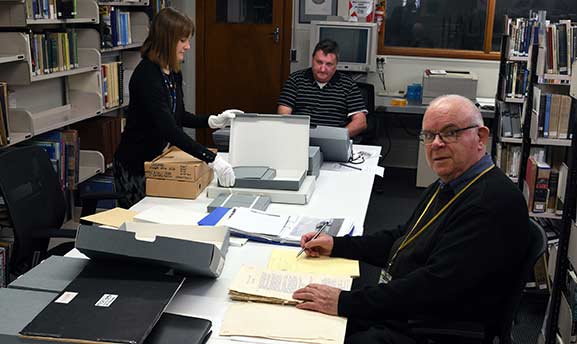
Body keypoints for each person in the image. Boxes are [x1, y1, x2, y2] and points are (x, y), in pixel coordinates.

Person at [292, 95, 530, 344]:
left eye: (449, 133)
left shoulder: (490, 203)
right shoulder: (451, 184)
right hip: (411, 307)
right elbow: (403, 237)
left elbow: (433, 287)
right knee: (305, 321)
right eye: (429, 135)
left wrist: (344, 302)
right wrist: (338, 245)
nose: (436, 144)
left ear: (480, 137)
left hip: (435, 327)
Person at [114, 8, 240, 208]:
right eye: (183, 40)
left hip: (158, 161)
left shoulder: (172, 72)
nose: (188, 46)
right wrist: (212, 159)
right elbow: (170, 130)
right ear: (167, 41)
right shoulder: (147, 76)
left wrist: (212, 120)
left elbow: (178, 116)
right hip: (135, 166)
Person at [277, 39, 367, 138]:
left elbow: (361, 122)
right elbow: (283, 114)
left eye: (329, 64)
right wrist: (297, 137)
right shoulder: (295, 80)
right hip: (300, 139)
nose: (323, 69)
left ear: (336, 64)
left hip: (335, 141)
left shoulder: (348, 85)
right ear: (312, 60)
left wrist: (337, 137)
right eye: (319, 62)